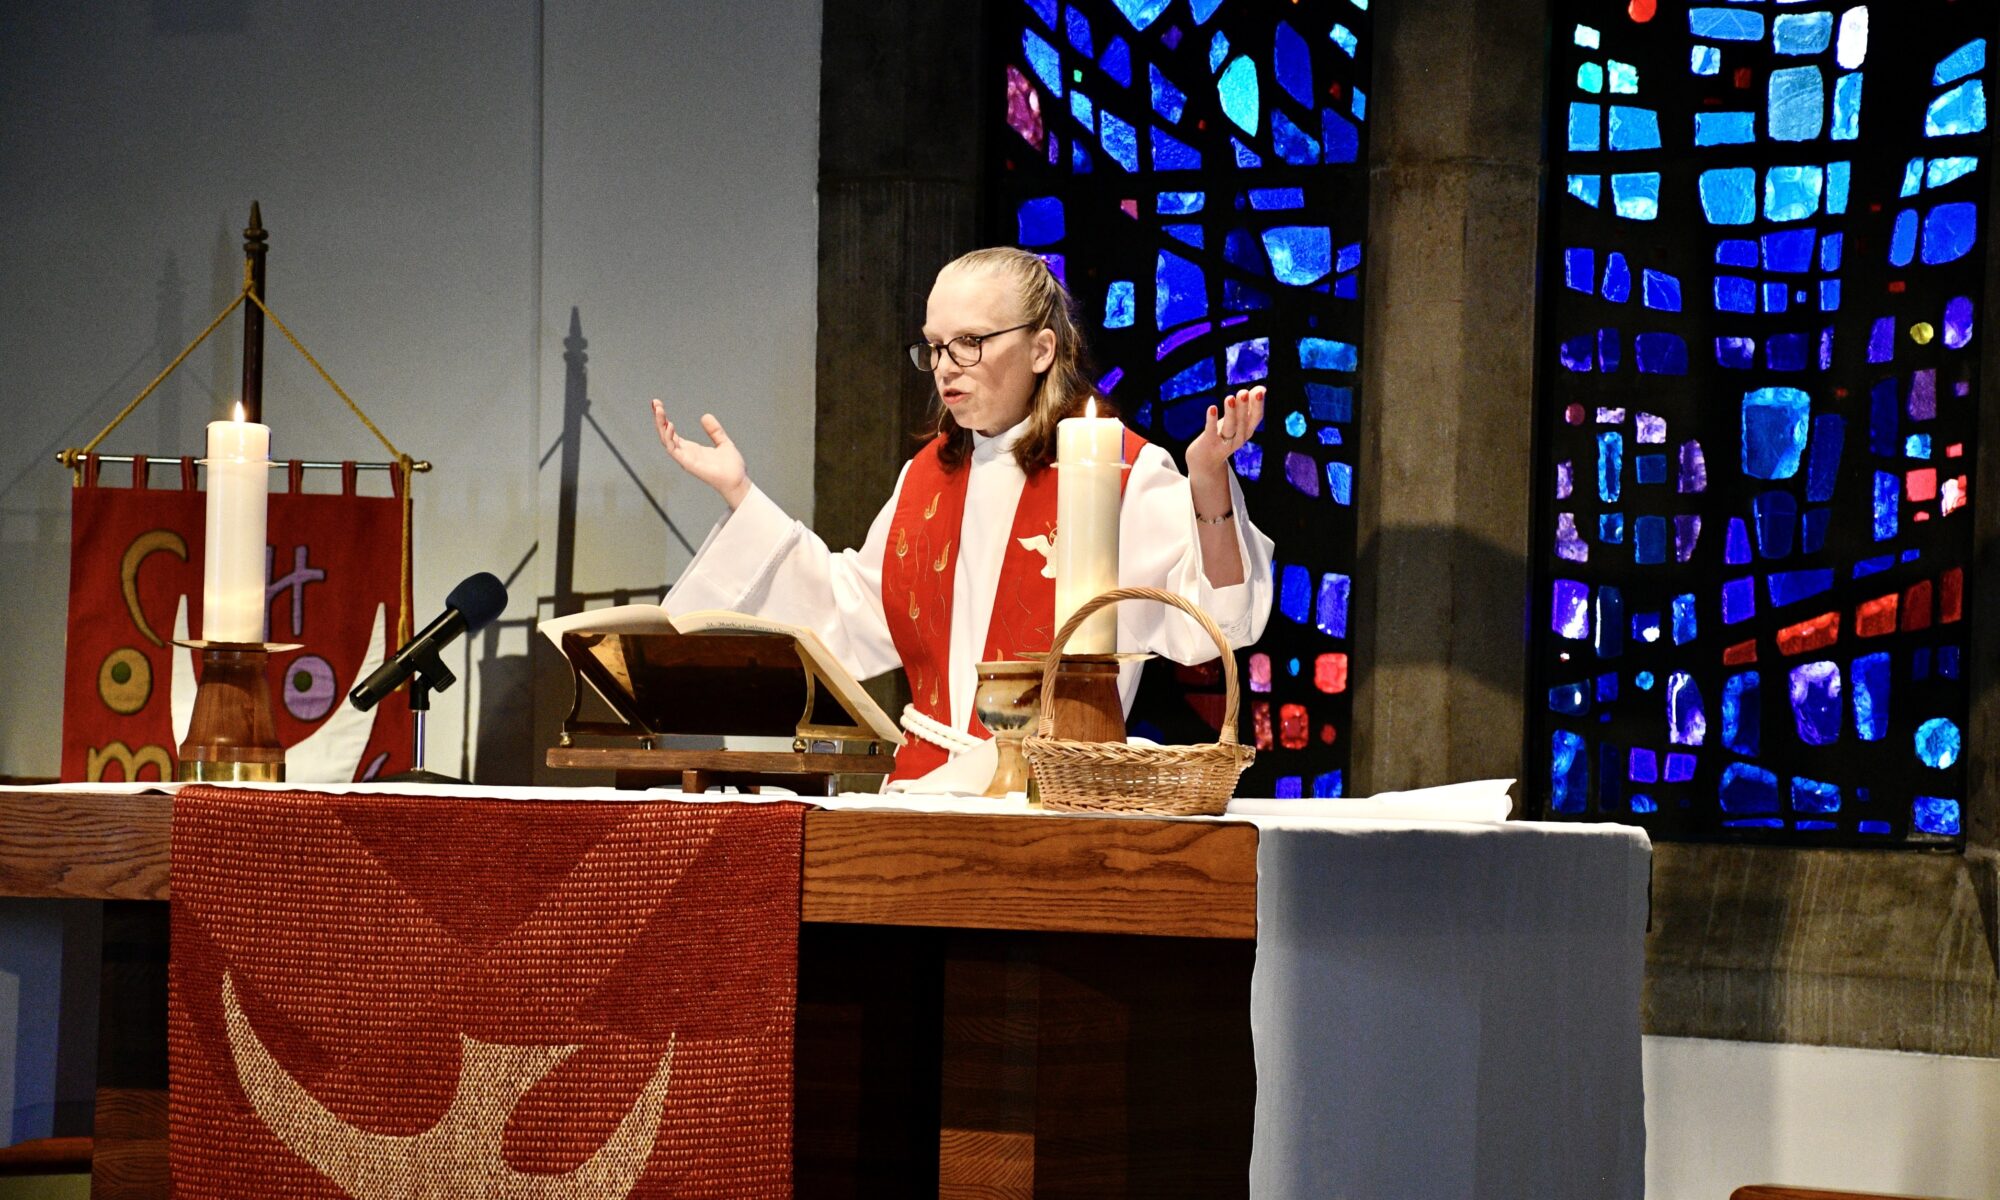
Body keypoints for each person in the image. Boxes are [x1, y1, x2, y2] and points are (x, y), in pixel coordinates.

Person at [654, 246, 1274, 787]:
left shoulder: (1120, 471)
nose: (947, 365)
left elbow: (1217, 621)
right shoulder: (926, 476)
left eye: (970, 343)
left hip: (1056, 797)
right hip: (927, 789)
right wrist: (741, 495)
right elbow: (851, 611)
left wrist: (1209, 479)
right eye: (934, 347)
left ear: (1040, 348)